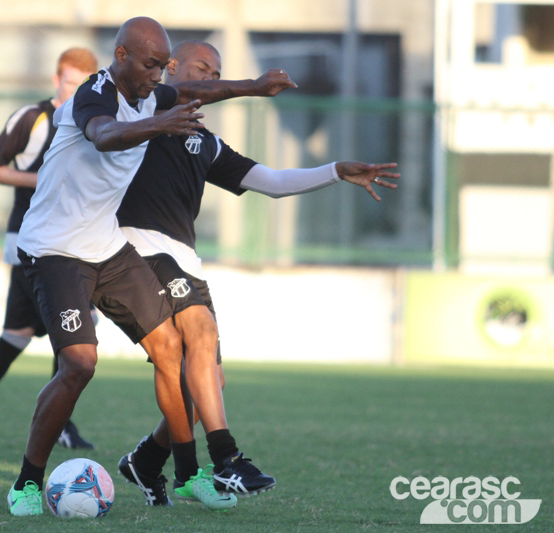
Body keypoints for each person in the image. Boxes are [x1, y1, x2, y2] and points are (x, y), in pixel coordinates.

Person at [7, 17, 297, 517]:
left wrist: (254, 87)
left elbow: (198, 89)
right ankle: (27, 483)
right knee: (79, 365)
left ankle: (187, 475)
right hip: (54, 250)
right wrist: (158, 124)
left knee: (172, 349)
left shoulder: (154, 92)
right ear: (120, 57)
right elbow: (104, 135)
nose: (159, 76)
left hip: (106, 247)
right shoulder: (93, 94)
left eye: (163, 66)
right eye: (150, 65)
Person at [115, 41, 400, 506]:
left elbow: (269, 182)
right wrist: (247, 87)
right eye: (202, 68)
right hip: (136, 244)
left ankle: (148, 459)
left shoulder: (205, 141)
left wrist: (336, 170)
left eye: (218, 71)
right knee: (199, 334)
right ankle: (226, 459)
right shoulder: (143, 111)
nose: (210, 77)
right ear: (171, 68)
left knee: (209, 381)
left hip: (182, 255)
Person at [0, 48, 98, 448]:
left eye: (84, 84)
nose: (75, 90)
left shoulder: (92, 122)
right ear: (56, 78)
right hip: (33, 244)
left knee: (19, 336)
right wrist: (38, 179)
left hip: (68, 244)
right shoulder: (35, 119)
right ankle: (57, 424)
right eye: (69, 81)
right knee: (73, 336)